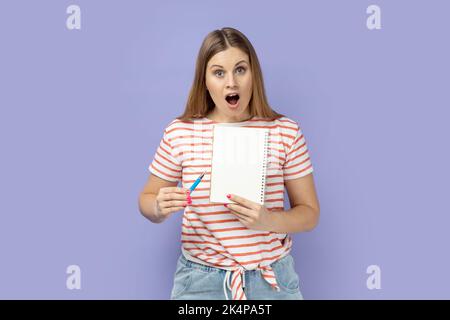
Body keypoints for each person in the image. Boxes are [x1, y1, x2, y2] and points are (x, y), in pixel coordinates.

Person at [138, 27, 320, 300]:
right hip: (200, 282)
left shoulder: (285, 131)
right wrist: (158, 207)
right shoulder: (180, 132)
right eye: (219, 72)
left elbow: (310, 213)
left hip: (271, 281)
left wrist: (268, 219)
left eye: (240, 69)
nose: (231, 83)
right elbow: (147, 201)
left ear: (253, 74)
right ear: (205, 80)